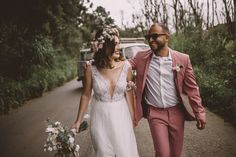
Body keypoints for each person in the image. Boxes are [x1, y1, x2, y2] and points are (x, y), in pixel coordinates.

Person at [129, 22, 206, 157]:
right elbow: (122, 65)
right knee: (163, 153)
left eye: (155, 36)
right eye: (148, 37)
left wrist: (199, 112)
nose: (151, 40)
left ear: (166, 37)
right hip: (155, 113)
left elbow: (192, 89)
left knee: (176, 154)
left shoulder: (183, 59)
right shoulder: (141, 58)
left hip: (177, 112)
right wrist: (96, 63)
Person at [71, 26, 139, 157]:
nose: (119, 47)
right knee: (103, 152)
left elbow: (129, 92)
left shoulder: (126, 67)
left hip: (122, 116)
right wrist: (78, 121)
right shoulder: (91, 69)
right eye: (115, 44)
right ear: (104, 46)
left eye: (119, 43)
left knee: (125, 152)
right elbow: (85, 95)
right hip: (100, 118)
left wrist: (134, 116)